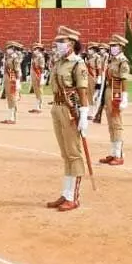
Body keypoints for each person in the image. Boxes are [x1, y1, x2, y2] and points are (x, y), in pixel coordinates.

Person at [46, 26, 91, 212]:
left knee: (73, 153)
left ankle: (73, 197)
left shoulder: (77, 64)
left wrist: (84, 114)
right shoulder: (60, 62)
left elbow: (82, 90)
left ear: (71, 43)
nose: (58, 44)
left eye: (61, 41)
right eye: (57, 41)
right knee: (65, 154)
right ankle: (66, 193)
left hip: (70, 110)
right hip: (56, 107)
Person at [99, 34, 130, 166]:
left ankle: (119, 154)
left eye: (115, 46)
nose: (112, 48)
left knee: (116, 123)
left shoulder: (123, 61)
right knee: (111, 123)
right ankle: (112, 153)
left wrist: (124, 97)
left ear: (121, 47)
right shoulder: (111, 60)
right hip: (108, 89)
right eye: (111, 46)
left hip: (117, 89)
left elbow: (123, 80)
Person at [1, 41, 24, 125]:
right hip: (8, 77)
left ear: (13, 49)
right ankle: (9, 116)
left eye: (9, 48)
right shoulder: (8, 57)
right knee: (9, 97)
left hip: (12, 77)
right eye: (7, 48)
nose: (7, 50)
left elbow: (17, 70)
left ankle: (12, 117)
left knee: (12, 97)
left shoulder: (15, 57)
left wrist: (17, 81)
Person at [29, 43, 46, 113]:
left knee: (39, 91)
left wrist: (41, 77)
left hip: (38, 75)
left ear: (39, 49)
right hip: (34, 75)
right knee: (36, 91)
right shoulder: (34, 57)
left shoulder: (40, 57)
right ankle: (36, 106)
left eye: (35, 49)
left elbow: (42, 68)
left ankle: (39, 107)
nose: (34, 50)